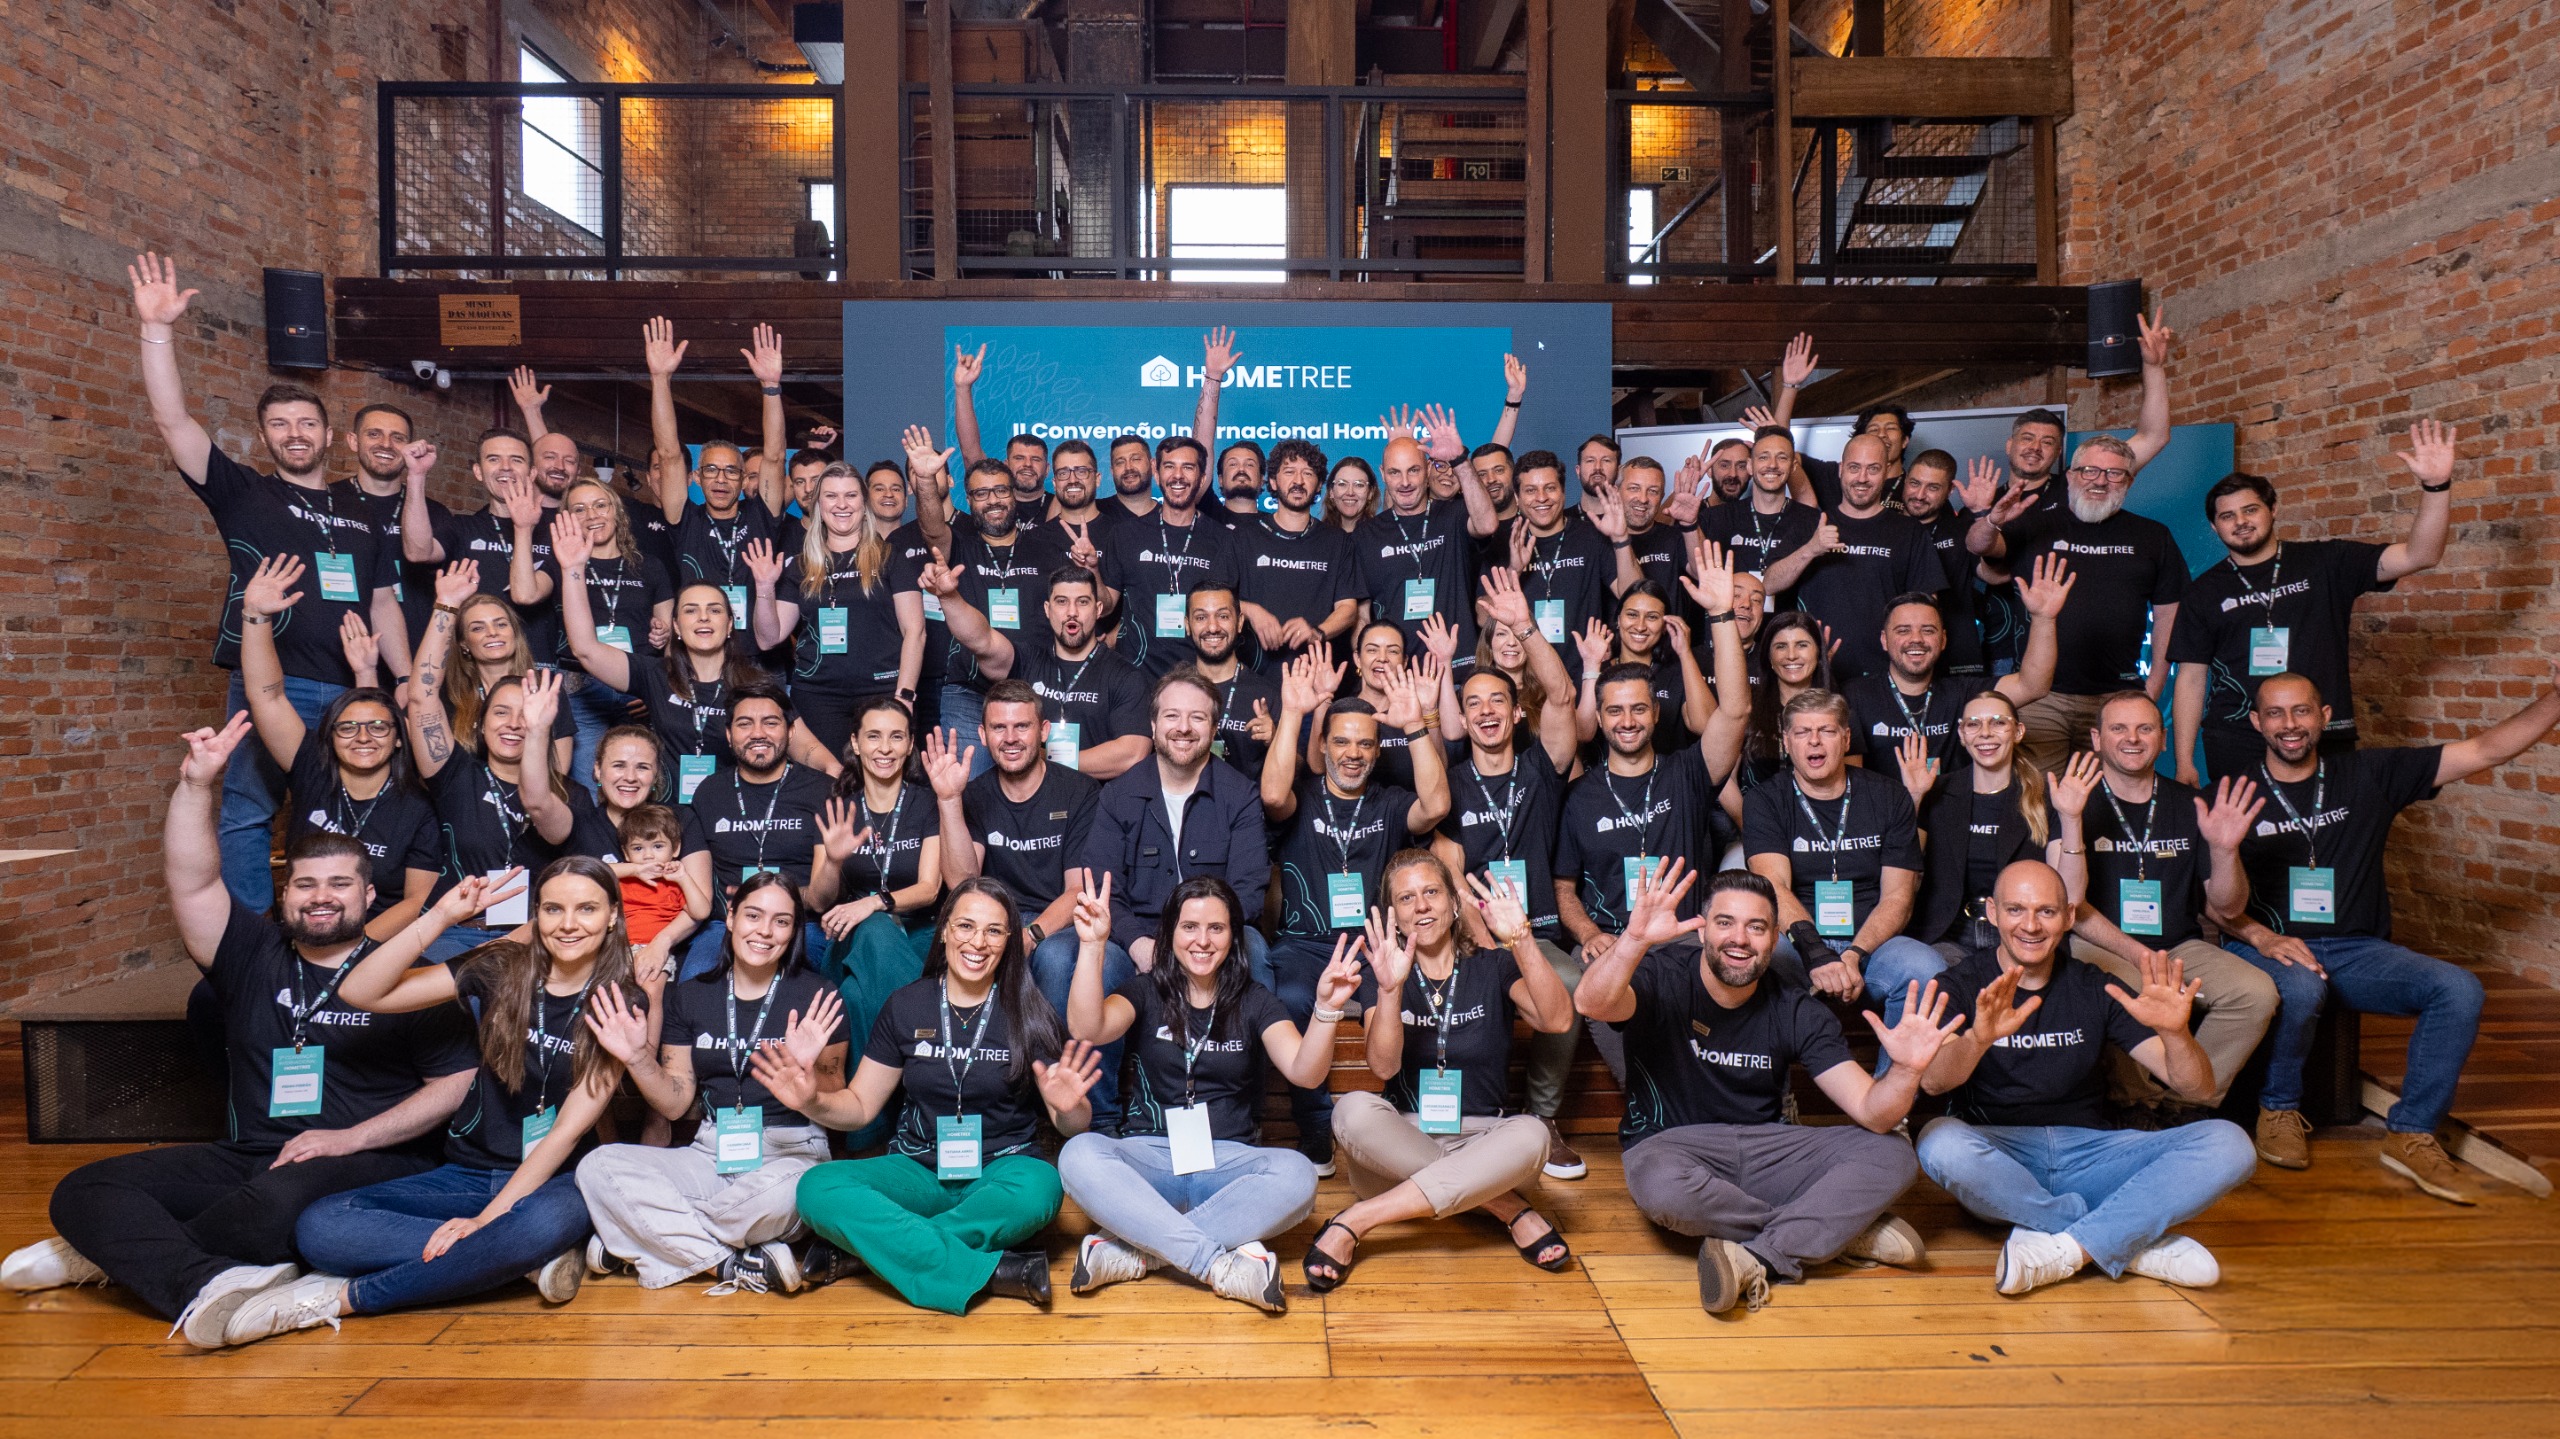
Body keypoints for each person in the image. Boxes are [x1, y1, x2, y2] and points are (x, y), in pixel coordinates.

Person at [1, 716, 475, 1346]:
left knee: (276, 1207)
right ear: (285, 893)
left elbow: (456, 1083)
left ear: (369, 897)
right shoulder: (251, 953)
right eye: (305, 884)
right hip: (251, 1154)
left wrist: (349, 1138)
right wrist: (197, 785)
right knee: (84, 1188)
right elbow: (192, 878)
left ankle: (109, 1256)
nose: (322, 897)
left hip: (367, 1159)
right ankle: (207, 1280)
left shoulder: (406, 976)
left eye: (340, 884)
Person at [223, 858, 650, 1343]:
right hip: (471, 1171)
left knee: (537, 1226)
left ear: (613, 916)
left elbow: (568, 1130)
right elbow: (360, 991)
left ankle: (341, 1298)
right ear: (537, 915)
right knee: (322, 1227)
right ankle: (511, 1262)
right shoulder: (501, 965)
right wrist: (441, 917)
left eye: (586, 909)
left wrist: (484, 1221)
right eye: (554, 909)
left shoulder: (623, 1002)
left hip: (558, 1179)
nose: (568, 924)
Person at [132, 253, 413, 911]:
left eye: (307, 423)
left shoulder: (362, 511)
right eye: (281, 424)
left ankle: (337, 932)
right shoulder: (244, 494)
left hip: (351, 687)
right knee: (248, 812)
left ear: (328, 435)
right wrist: (157, 330)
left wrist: (400, 679)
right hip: (270, 683)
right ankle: (252, 939)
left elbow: (382, 602)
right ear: (264, 435)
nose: (295, 433)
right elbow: (174, 422)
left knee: (349, 816)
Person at [2214, 670, 2560, 1201]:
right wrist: (2261, 937)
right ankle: (2278, 1109)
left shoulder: (2370, 774)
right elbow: (2214, 906)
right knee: (2302, 985)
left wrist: (2554, 700)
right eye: (2276, 713)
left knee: (2459, 989)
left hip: (2357, 950)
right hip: (2265, 944)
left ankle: (2412, 1132)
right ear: (2257, 722)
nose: (2290, 724)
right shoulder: (2232, 793)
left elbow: (2485, 750)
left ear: (2324, 717)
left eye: (2301, 710)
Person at [1582, 863, 1954, 1314]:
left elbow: (1872, 1112)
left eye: (1756, 927)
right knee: (1661, 1186)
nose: (1739, 939)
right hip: (1672, 1147)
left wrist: (1906, 1070)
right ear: (1701, 931)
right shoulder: (1660, 975)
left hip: (1768, 1149)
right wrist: (1634, 941)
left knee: (1893, 1153)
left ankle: (1765, 1252)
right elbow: (1591, 1003)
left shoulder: (1795, 1008)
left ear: (1775, 939)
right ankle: (1834, 1232)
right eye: (1725, 923)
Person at [760, 878, 1106, 1313]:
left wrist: (1071, 1107)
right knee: (816, 1187)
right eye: (965, 926)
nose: (977, 942)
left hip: (1002, 1170)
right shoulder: (907, 1006)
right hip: (918, 1169)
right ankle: (998, 1271)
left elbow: (1072, 1125)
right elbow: (861, 1107)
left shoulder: (1029, 1010)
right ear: (944, 931)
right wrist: (811, 1100)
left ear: (1008, 941)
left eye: (994, 931)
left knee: (1042, 1187)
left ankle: (868, 1256)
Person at [1918, 861, 2255, 1296]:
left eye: (2046, 911)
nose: (2031, 926)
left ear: (2069, 917)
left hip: (2094, 1154)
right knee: (1938, 1141)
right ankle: (2124, 1240)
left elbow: (2198, 1088)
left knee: (2230, 1143)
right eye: (2016, 909)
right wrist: (1978, 1040)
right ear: (1993, 913)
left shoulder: (2094, 986)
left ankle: (2068, 1243)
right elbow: (1933, 1083)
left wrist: (2176, 1034)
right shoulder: (1960, 984)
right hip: (2001, 1161)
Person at [1060, 875, 1344, 1311]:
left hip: (1228, 1168)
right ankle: (1215, 1264)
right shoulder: (1146, 990)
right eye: (1190, 927)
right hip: (1150, 1160)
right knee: (1078, 1155)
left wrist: (1326, 1010)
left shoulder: (1255, 999)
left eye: (1217, 928)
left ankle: (1139, 1251)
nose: (1203, 940)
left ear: (1233, 936)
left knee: (1299, 1176)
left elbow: (1304, 1073)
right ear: (1170, 933)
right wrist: (1093, 944)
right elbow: (1087, 1027)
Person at [1301, 851, 1577, 1291]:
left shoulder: (1494, 964)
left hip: (1487, 1142)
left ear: (1453, 902)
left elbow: (1558, 1020)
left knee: (1533, 1134)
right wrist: (1390, 990)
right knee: (1351, 1110)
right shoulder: (1383, 972)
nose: (1422, 906)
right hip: (1401, 1145)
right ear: (1394, 916)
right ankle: (1506, 1207)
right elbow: (1384, 1066)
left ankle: (1359, 1219)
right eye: (1406, 898)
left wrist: (1521, 938)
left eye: (1431, 892)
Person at [577, 871, 851, 1294]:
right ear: (732, 918)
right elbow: (675, 1104)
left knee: (789, 1195)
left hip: (791, 1153)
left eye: (781, 921)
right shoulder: (692, 995)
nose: (765, 931)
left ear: (794, 930)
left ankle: (641, 1239)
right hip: (711, 1151)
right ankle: (730, 1263)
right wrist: (636, 1058)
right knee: (598, 1166)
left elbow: (837, 1103)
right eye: (753, 916)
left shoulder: (818, 996)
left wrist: (807, 1078)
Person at [2171, 422, 2456, 782]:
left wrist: (2436, 486)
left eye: (2250, 510)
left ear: (2273, 510)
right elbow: (2191, 678)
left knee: (2332, 820)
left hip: (2323, 733)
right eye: (2227, 516)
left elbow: (2420, 555)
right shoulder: (2202, 592)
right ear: (2215, 527)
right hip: (2237, 739)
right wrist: (2184, 761)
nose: (2240, 522)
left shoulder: (2326, 563)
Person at [1262, 651, 1453, 1171]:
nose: (1353, 753)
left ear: (1377, 750)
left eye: (1365, 744)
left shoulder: (1390, 801)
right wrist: (1294, 713)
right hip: (1304, 946)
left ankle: (1392, 1127)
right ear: (1324, 745)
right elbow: (1272, 794)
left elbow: (1436, 806)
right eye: (1342, 742)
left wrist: (1414, 725)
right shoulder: (1302, 796)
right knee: (1293, 1000)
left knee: (1395, 1009)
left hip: (1376, 947)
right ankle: (1314, 1128)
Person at [2046, 692, 2278, 1117]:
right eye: (2118, 728)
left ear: (2164, 739)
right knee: (2122, 986)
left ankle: (2186, 1101)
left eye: (2145, 728)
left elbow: (2227, 907)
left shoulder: (2190, 804)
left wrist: (2225, 850)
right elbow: (2068, 906)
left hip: (2179, 946)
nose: (2132, 738)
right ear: (2097, 739)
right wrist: (2071, 818)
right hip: (2099, 943)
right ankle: (2136, 1105)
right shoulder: (2071, 798)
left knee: (2255, 993)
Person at [1434, 567, 1591, 1177]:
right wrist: (1468, 915)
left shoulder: (1542, 768)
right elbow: (1443, 861)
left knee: (1570, 986)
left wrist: (1524, 627)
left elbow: (1564, 697)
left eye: (1497, 700)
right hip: (1470, 938)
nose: (1485, 711)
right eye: (1473, 703)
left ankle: (1542, 1119)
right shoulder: (1449, 783)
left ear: (1517, 712)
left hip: (1535, 932)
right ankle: (1464, 1121)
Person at [1554, 545, 1751, 963]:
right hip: (1610, 946)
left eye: (1639, 709)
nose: (1627, 721)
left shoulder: (1688, 774)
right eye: (1615, 711)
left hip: (1681, 942)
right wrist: (1589, 934)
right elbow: (1563, 889)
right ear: (1600, 719)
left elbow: (1735, 711)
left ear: (1656, 713)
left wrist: (1721, 615)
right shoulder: (1579, 796)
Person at [923, 681, 1110, 1117]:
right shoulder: (976, 793)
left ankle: (1084, 1112)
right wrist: (949, 800)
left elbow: (1078, 890)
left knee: (1057, 959)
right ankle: (991, 1106)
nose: (1010, 738)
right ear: (983, 735)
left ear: (1043, 731)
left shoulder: (1079, 791)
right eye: (999, 728)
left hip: (1063, 923)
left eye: (1022, 726)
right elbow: (963, 882)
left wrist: (1031, 935)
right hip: (995, 921)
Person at [236, 556, 439, 937]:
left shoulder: (417, 808)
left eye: (378, 727)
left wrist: (354, 953)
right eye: (347, 728)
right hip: (306, 930)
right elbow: (267, 697)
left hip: (380, 940)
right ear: (329, 738)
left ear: (399, 738)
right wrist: (256, 616)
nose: (363, 737)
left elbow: (417, 903)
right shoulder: (312, 770)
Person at [1967, 435, 2189, 776]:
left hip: (2117, 698)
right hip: (2040, 696)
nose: (2100, 480)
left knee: (2113, 796)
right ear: (2070, 475)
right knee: (2036, 796)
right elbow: (1979, 546)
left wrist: (2153, 689)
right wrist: (1992, 519)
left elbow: (2169, 616)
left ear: (2129, 482)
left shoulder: (2153, 536)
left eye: (2115, 473)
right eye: (2090, 470)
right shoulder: (2035, 522)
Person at [1741, 690, 1945, 1028]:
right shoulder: (1765, 800)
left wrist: (1853, 954)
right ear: (1787, 743)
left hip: (1871, 945)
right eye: (1802, 732)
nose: (1814, 741)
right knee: (1752, 956)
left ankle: (1895, 1065)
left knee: (1926, 969)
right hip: (1795, 944)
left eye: (1827, 730)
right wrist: (1816, 952)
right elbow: (1773, 886)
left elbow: (1898, 897)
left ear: (1846, 739)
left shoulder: (1889, 796)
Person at [404, 602, 584, 962]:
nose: (514, 723)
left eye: (526, 714)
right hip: (454, 933)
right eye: (501, 712)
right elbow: (421, 697)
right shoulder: (456, 777)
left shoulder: (569, 796)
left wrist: (538, 730)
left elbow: (539, 806)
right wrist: (445, 607)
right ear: (482, 726)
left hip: (531, 940)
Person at [1083, 668, 1274, 978]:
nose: (1183, 728)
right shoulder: (1117, 796)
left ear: (1214, 728)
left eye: (1197, 718)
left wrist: (1201, 941)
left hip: (1215, 933)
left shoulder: (1241, 796)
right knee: (1096, 962)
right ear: (1153, 725)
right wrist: (1137, 943)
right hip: (1139, 934)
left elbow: (1248, 891)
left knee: (1253, 950)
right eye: (1171, 716)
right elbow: (1103, 890)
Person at [747, 460, 927, 762]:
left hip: (882, 693)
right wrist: (764, 587)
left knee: (882, 779)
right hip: (817, 696)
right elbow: (768, 638)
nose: (841, 505)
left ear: (864, 503)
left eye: (851, 495)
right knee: (824, 782)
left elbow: (916, 632)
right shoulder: (801, 565)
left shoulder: (891, 558)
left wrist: (904, 696)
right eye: (831, 496)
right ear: (819, 504)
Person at [676, 680, 846, 981]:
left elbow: (820, 901)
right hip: (727, 925)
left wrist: (833, 862)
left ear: (790, 732)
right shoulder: (709, 793)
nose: (758, 733)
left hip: (801, 924)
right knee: (695, 981)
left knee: (807, 988)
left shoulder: (821, 790)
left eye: (770, 723)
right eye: (744, 724)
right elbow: (699, 892)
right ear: (729, 735)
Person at [564, 557, 768, 804]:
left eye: (714, 610)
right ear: (677, 627)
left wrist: (820, 765)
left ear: (729, 625)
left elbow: (799, 744)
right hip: (667, 815)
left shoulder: (755, 685)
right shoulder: (656, 674)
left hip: (733, 810)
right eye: (691, 610)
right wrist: (572, 568)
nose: (703, 617)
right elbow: (585, 649)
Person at [812, 695, 945, 1069]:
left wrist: (873, 902)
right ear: (856, 743)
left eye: (896, 737)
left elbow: (930, 888)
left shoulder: (927, 803)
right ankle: (930, 1060)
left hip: (918, 932)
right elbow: (820, 901)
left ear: (910, 744)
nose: (884, 748)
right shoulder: (838, 807)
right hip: (852, 936)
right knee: (873, 928)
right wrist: (833, 861)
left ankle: (868, 1106)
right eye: (873, 736)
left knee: (853, 996)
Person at [1843, 556, 2068, 772]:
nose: (1916, 639)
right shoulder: (1855, 695)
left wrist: (2044, 619)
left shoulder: (1963, 693)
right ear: (1884, 640)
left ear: (1943, 640)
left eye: (1928, 630)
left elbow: (2033, 685)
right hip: (1883, 800)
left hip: (1952, 800)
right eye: (1903, 631)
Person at [522, 476, 676, 793]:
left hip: (637, 687)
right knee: (590, 787)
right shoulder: (562, 564)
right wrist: (523, 530)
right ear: (567, 519)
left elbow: (669, 636)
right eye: (580, 509)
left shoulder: (650, 566)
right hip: (582, 688)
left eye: (600, 505)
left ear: (616, 511)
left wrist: (660, 649)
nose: (592, 515)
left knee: (640, 785)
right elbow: (525, 594)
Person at [933, 562, 1152, 780]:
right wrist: (950, 597)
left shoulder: (1125, 676)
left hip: (1095, 798)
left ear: (1098, 609)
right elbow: (981, 639)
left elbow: (1133, 754)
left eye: (1083, 602)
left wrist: (1047, 758)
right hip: (1031, 796)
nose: (1072, 612)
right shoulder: (1027, 660)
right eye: (1061, 601)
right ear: (1048, 609)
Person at [931, 454, 1075, 770]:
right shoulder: (958, 547)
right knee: (970, 787)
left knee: (1046, 781)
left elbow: (1076, 608)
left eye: (1000, 490)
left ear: (1013, 494)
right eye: (981, 493)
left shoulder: (1047, 548)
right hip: (969, 692)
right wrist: (928, 480)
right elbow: (931, 526)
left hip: (1036, 688)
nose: (993, 500)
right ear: (969, 500)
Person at [645, 317, 788, 617]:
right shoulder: (685, 520)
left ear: (743, 480)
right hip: (699, 640)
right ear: (697, 477)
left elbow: (775, 456)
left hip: (754, 644)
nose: (721, 479)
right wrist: (659, 379)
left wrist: (771, 386)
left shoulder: (761, 516)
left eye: (732, 471)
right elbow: (669, 453)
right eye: (711, 470)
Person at [1897, 690, 2058, 957]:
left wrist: (2072, 817)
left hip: (2022, 933)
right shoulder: (1936, 791)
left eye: (1998, 722)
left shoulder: (2046, 797)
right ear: (1962, 734)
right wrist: (1915, 799)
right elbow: (1905, 876)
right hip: (1949, 935)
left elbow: (2068, 893)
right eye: (1973, 724)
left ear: (2018, 732)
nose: (1985, 733)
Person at [1778, 434, 1950, 681]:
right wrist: (1811, 549)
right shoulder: (1811, 524)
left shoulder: (1909, 531)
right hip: (1815, 670)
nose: (1862, 478)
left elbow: (1927, 608)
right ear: (1841, 470)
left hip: (1885, 675)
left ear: (1886, 472)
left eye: (1873, 469)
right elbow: (1769, 584)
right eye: (1854, 468)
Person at [1352, 408, 1502, 670]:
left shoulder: (1453, 515)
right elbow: (1362, 616)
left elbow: (1487, 524)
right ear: (1383, 474)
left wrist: (1459, 460)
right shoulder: (1366, 534)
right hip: (1396, 673)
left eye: (1413, 470)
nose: (1405, 482)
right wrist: (1366, 670)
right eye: (1394, 472)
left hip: (1457, 667)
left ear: (1428, 469)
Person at [415, 560, 574, 779]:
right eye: (477, 628)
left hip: (530, 796)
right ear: (463, 643)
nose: (492, 632)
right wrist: (446, 604)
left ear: (514, 633)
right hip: (466, 796)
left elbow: (557, 773)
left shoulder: (545, 689)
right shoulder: (449, 696)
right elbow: (421, 692)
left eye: (501, 624)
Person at [1103, 436, 1242, 675]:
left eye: (1187, 467)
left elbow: (1228, 611)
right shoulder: (1125, 534)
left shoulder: (1224, 540)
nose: (1178, 476)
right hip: (1135, 675)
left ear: (1202, 478)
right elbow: (1105, 606)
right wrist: (1091, 568)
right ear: (1157, 474)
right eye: (1169, 466)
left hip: (1200, 676)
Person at [1234, 438, 1363, 673]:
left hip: (1315, 678)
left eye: (1308, 473)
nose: (1298, 481)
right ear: (1273, 481)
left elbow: (1348, 609)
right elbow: (1217, 598)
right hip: (1251, 677)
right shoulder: (1244, 537)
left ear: (1319, 484)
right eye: (1289, 472)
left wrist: (1317, 632)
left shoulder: (1337, 542)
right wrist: (1252, 611)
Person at [1506, 449, 1632, 651]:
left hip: (1585, 665)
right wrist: (1513, 571)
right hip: (1524, 666)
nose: (1541, 498)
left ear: (1563, 491)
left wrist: (1621, 539)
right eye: (1530, 490)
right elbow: (1483, 617)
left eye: (1550, 488)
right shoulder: (1506, 542)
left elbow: (1633, 595)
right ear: (1517, 497)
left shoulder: (1591, 536)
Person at [1575, 584, 1713, 757]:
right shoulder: (1596, 671)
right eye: (1632, 615)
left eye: (1652, 617)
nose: (1640, 626)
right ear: (1618, 620)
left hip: (1668, 772)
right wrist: (1592, 666)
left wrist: (1685, 653)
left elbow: (1705, 726)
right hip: (1607, 772)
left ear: (1665, 626)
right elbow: (1583, 734)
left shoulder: (1678, 672)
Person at [1897, 449, 1992, 677]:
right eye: (1914, 483)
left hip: (1958, 656)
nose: (1919, 495)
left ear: (1950, 491)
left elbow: (1994, 575)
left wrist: (1982, 514)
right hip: (1902, 653)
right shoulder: (1886, 529)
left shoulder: (1963, 530)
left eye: (1933, 488)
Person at [1730, 609, 1833, 802]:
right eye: (1781, 646)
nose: (1791, 655)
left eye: (1802, 645)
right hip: (1753, 815)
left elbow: (1849, 783)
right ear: (1769, 657)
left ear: (1819, 653)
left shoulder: (1837, 710)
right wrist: (1750, 819)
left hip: (1821, 818)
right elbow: (1725, 780)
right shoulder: (1747, 705)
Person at [1183, 584, 1283, 780]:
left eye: (1223, 616)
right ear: (1187, 625)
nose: (1213, 627)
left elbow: (1298, 769)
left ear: (1239, 623)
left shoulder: (1266, 694)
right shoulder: (1173, 691)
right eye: (1201, 617)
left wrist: (1275, 739)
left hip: (1248, 799)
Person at [1697, 426, 1821, 584]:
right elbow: (1697, 572)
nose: (1772, 465)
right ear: (1750, 466)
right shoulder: (1715, 517)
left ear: (1793, 467)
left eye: (1782, 458)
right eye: (1763, 457)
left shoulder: (1812, 521)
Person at [610, 804, 710, 992]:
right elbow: (589, 871)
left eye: (657, 846)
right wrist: (635, 869)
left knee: (651, 990)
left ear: (675, 848)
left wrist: (684, 878)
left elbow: (701, 912)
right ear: (626, 853)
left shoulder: (674, 882)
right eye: (638, 848)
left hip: (654, 950)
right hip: (615, 949)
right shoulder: (624, 878)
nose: (648, 855)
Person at [1107, 433, 1160, 522]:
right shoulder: (1095, 512)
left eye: (1135, 459)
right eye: (1120, 462)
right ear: (1112, 471)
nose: (1128, 467)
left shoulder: (1170, 518)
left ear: (1152, 465)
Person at [1325, 455, 1380, 535]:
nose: (1350, 492)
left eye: (1359, 485)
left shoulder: (1382, 536)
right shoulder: (1317, 537)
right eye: (1342, 484)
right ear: (1331, 492)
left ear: (1370, 493)